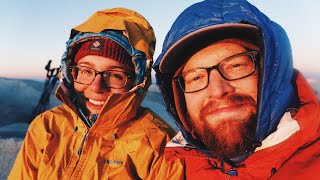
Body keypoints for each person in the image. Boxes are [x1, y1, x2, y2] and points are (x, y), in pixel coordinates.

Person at [153, 0, 320, 178]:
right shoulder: (171, 167)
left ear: (270, 71)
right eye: (195, 77)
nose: (217, 90)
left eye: (236, 65)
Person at [9, 7, 174, 179]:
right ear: (70, 73)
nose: (96, 87)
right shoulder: (46, 126)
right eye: (86, 71)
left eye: (115, 75)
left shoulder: (159, 144)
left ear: (137, 81)